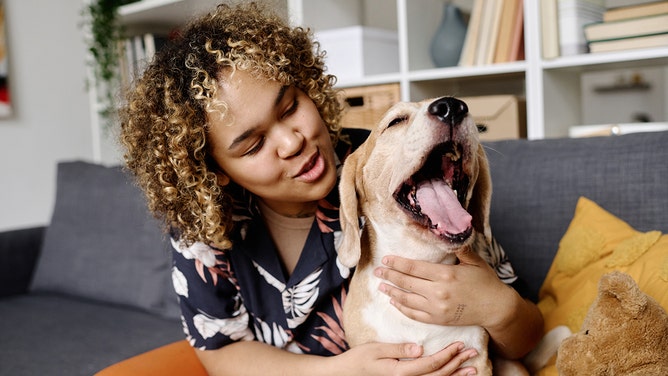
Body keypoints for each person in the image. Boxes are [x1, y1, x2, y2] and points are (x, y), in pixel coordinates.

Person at [119, 2, 543, 375]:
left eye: (289, 107)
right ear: (215, 170)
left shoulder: (391, 165)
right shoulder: (204, 225)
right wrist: (343, 371)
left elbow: (524, 335)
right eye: (253, 145)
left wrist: (498, 308)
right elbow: (219, 350)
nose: (292, 142)